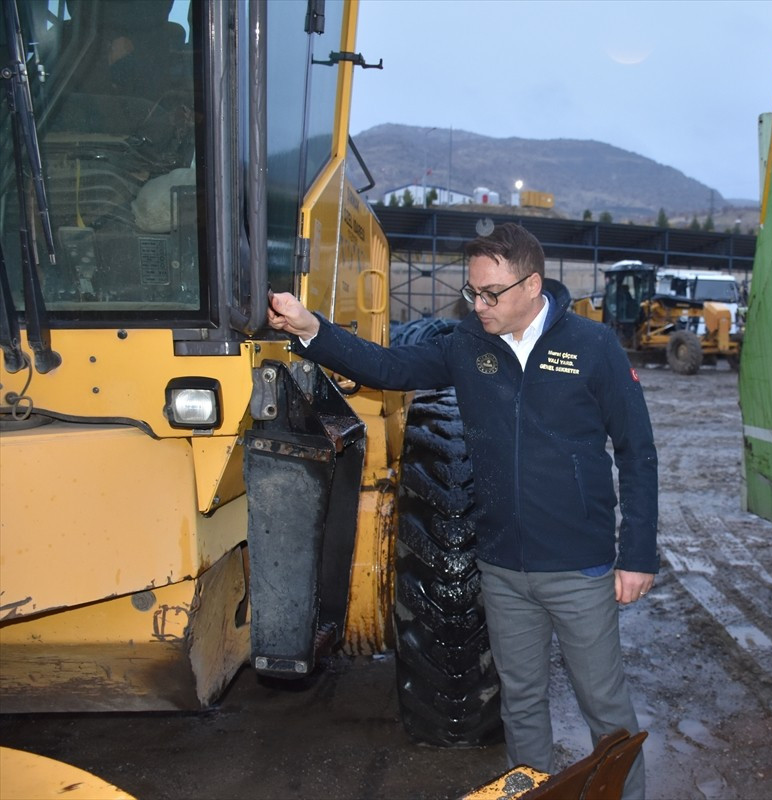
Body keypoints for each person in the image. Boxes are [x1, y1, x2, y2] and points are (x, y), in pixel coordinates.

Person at [267, 222, 657, 800]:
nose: (479, 305)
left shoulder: (592, 346)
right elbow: (389, 368)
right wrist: (310, 330)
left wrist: (638, 554)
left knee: (605, 705)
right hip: (501, 567)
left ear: (532, 285)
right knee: (520, 701)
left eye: (491, 294)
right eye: (472, 292)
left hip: (578, 567)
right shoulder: (466, 345)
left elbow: (637, 451)